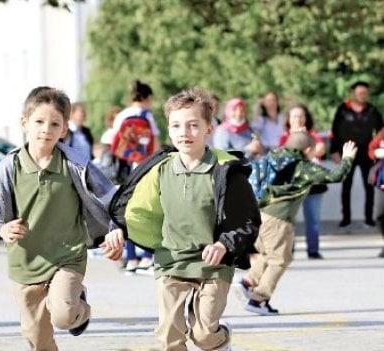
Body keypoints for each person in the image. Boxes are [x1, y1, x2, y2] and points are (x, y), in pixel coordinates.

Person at [0, 86, 123, 350]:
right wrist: (0, 229)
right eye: (39, 122)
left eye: (55, 123)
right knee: (37, 340)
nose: (46, 129)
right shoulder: (8, 168)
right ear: (24, 123)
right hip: (26, 262)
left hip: (67, 256)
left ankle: (79, 305)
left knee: (64, 315)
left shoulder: (76, 165)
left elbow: (111, 196)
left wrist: (116, 228)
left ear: (64, 130)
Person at [120, 87, 260, 350]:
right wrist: (117, 230)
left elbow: (249, 221)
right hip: (172, 260)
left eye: (193, 125)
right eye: (177, 125)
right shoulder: (159, 170)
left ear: (209, 129)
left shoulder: (227, 172)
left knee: (204, 336)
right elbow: (134, 209)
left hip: (214, 265)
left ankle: (220, 338)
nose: (184, 132)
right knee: (169, 337)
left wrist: (224, 245)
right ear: (169, 130)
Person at [238, 132, 356, 315]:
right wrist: (347, 158)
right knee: (280, 259)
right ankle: (258, 301)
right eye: (313, 152)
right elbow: (336, 176)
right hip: (279, 219)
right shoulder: (303, 167)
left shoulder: (275, 156)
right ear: (307, 150)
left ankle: (248, 282)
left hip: (260, 214)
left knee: (267, 254)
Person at [277, 104, 328, 259]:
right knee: (289, 220)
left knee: (313, 219)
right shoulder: (285, 137)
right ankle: (289, 251)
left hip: (313, 184)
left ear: (306, 118)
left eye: (301, 116)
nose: (298, 119)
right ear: (289, 119)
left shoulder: (313, 135)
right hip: (291, 185)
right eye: (294, 116)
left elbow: (321, 148)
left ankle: (313, 251)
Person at [330, 81, 383, 228]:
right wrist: (334, 151)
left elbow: (380, 132)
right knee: (346, 185)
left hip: (367, 154)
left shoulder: (372, 110)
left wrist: (378, 150)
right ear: (353, 93)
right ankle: (346, 218)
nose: (362, 95)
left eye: (364, 93)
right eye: (359, 93)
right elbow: (334, 131)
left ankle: (369, 219)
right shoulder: (343, 109)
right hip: (347, 151)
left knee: (369, 186)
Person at [111, 79, 162, 181]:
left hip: (124, 160)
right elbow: (155, 141)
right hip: (143, 160)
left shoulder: (122, 115)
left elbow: (114, 139)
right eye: (150, 99)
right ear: (145, 98)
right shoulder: (147, 116)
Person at [367, 129, 384, 258]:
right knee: (379, 214)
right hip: (381, 181)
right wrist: (377, 153)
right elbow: (371, 149)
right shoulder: (382, 133)